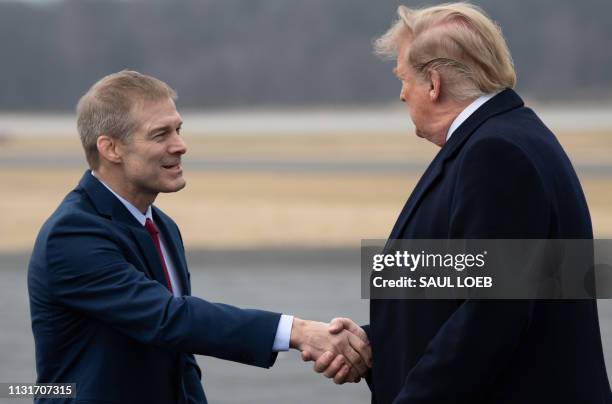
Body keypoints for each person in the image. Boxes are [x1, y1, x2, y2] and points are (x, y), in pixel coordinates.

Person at [306, 3, 612, 403]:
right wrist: (372, 345)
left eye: (403, 79)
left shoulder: (497, 154)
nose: (401, 94)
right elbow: (470, 290)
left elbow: (491, 317)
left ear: (433, 83)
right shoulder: (506, 137)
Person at [27, 70, 371, 403]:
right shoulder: (72, 236)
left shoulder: (162, 225)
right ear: (111, 149)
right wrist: (297, 331)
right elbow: (169, 320)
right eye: (161, 135)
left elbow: (180, 356)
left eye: (178, 129)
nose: (181, 146)